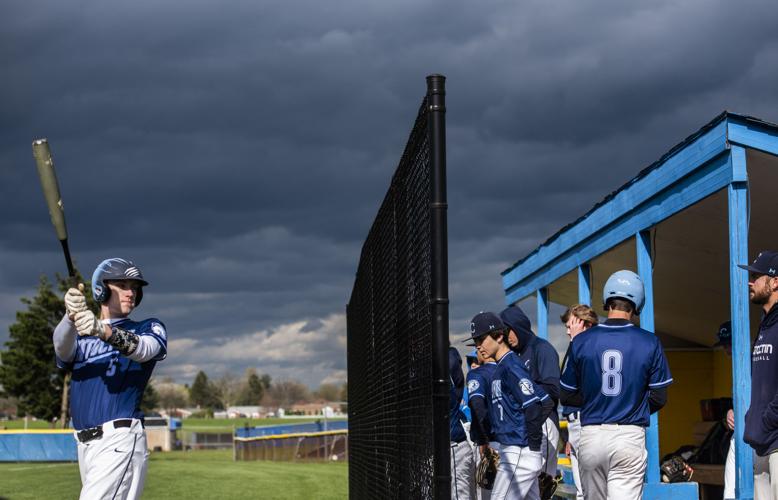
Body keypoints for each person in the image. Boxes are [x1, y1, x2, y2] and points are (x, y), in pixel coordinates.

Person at [54, 258, 167, 500]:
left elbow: (145, 349)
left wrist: (102, 330)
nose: (131, 293)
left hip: (119, 440)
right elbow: (61, 349)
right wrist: (69, 316)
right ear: (101, 289)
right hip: (85, 446)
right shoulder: (82, 338)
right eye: (123, 285)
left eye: (135, 287)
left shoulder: (147, 327)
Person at [560, 270, 672, 500]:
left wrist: (596, 401)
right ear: (636, 303)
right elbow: (659, 397)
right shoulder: (649, 341)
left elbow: (567, 395)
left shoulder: (581, 341)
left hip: (591, 432)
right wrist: (631, 405)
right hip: (628, 434)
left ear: (607, 301)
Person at [465, 311, 554, 500]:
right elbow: (544, 400)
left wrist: (531, 446)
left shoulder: (511, 366)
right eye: (476, 341)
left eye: (482, 339)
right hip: (511, 449)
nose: (478, 346)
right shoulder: (501, 368)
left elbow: (537, 405)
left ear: (498, 336)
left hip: (518, 451)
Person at [500, 305, 561, 481]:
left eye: (508, 331)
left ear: (518, 326)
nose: (506, 337)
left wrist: (525, 390)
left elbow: (553, 388)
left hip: (544, 422)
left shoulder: (541, 348)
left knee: (542, 482)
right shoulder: (514, 355)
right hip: (524, 423)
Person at [740, 251, 778, 499]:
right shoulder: (765, 324)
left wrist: (767, 419)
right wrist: (753, 417)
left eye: (756, 276)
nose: (750, 281)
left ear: (775, 282)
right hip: (762, 440)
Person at [559, 304, 599, 500]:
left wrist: (577, 340)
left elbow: (588, 389)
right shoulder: (575, 346)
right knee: (581, 491)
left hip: (587, 421)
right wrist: (569, 437)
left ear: (585, 324)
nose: (568, 331)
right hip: (575, 423)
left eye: (571, 325)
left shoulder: (589, 349)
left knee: (590, 490)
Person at [465, 344, 498, 500]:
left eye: (475, 359)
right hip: (511, 440)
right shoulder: (508, 369)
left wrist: (483, 440)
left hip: (489, 440)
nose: (473, 364)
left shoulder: (478, 376)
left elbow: (478, 408)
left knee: (487, 491)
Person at [451, 345, 476, 499]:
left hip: (478, 441)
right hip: (469, 438)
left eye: (477, 361)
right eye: (471, 361)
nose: (473, 364)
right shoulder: (465, 392)